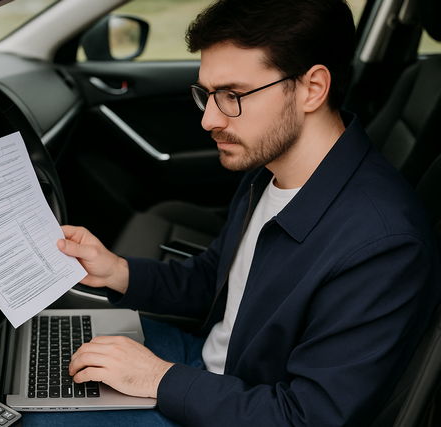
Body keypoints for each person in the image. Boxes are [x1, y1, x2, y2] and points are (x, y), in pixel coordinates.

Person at [26, 0, 441, 425]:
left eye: (232, 95)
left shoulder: (382, 245)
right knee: (39, 351)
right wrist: (116, 272)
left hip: (238, 404)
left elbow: (308, 417)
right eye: (207, 94)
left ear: (312, 88)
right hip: (206, 370)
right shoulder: (270, 169)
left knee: (35, 416)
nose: (209, 119)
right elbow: (217, 278)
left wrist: (158, 378)